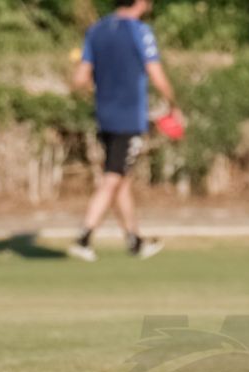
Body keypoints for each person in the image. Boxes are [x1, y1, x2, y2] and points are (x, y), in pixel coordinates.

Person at [69, 0, 178, 262]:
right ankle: (84, 237)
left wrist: (99, 94)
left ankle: (134, 240)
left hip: (104, 116)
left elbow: (80, 79)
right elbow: (156, 72)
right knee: (113, 178)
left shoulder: (96, 30)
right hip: (128, 118)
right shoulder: (140, 31)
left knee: (122, 179)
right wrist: (174, 105)